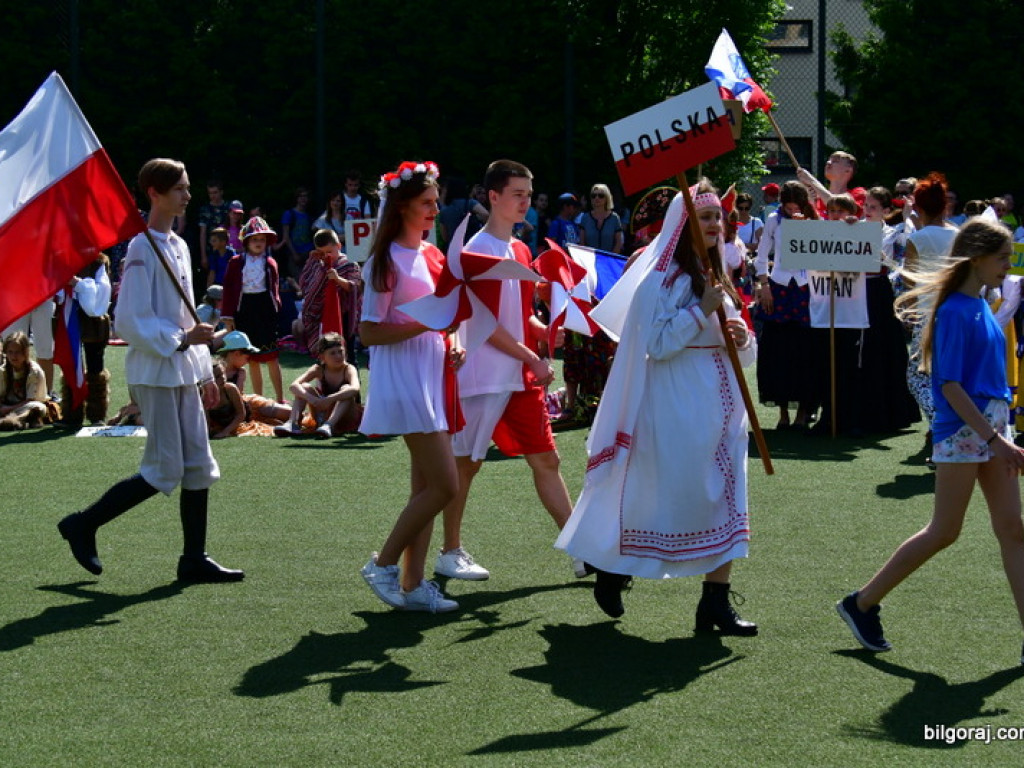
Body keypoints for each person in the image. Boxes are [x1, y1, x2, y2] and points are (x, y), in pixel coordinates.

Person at [556, 182, 758, 633]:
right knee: (665, 495)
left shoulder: (719, 273)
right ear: (684, 224)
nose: (714, 224)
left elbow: (739, 346)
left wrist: (743, 338)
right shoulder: (663, 280)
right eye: (704, 217)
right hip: (677, 403)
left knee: (727, 498)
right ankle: (612, 568)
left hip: (723, 407)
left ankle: (715, 602)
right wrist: (700, 311)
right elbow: (658, 344)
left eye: (717, 217)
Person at [837, 220, 1024, 664]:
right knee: (944, 531)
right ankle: (861, 603)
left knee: (1013, 530)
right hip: (965, 430)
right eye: (1002, 257)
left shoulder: (979, 303)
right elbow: (951, 387)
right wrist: (996, 439)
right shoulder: (956, 311)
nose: (1008, 265)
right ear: (977, 258)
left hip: (989, 426)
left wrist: (1000, 434)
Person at [57, 158, 243, 582]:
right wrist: (182, 340)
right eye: (180, 188)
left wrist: (205, 371)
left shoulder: (179, 245)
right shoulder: (141, 248)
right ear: (154, 193)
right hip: (155, 372)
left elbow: (185, 316)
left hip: (182, 370)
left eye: (188, 187)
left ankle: (193, 559)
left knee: (198, 464)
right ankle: (83, 524)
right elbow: (128, 320)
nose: (188, 195)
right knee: (165, 468)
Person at [439, 159, 575, 581]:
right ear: (493, 196)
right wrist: (531, 356)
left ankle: (580, 548)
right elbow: (484, 324)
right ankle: (449, 551)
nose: (525, 202)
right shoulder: (475, 251)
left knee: (547, 459)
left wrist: (547, 331)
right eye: (517, 194)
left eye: (528, 195)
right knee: (465, 465)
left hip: (518, 375)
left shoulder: (520, 249)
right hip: (482, 377)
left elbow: (520, 315)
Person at [358, 160, 463, 613]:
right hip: (404, 379)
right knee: (445, 486)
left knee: (425, 489)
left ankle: (413, 584)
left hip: (430, 375)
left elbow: (445, 318)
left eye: (436, 201)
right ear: (401, 206)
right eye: (426, 202)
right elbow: (368, 331)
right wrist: (424, 325)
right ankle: (382, 564)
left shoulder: (432, 254)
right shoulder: (383, 262)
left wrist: (452, 342)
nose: (435, 210)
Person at [754, 180, 820, 430]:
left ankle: (803, 411)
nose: (792, 211)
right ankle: (782, 412)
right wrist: (764, 285)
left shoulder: (814, 221)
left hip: (805, 287)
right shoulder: (774, 220)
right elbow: (762, 255)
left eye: (796, 207)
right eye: (788, 207)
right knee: (777, 350)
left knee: (804, 351)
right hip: (779, 286)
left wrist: (806, 227)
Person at [903, 172, 960, 458]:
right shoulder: (959, 235)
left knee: (917, 377)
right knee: (951, 375)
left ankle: (941, 423)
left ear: (919, 208)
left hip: (927, 313)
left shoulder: (917, 239)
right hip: (958, 312)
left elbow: (909, 279)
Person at [220, 216, 285, 402]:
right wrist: (228, 316)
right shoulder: (235, 262)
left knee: (272, 356)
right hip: (245, 310)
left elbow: (274, 289)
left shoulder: (270, 263)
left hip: (265, 309)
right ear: (247, 242)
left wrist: (276, 310)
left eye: (262, 239)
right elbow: (229, 289)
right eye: (254, 239)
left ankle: (280, 398)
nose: (258, 243)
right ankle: (259, 399)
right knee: (253, 358)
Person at [55, 254, 114, 428]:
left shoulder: (98, 262)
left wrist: (78, 284)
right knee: (71, 365)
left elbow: (101, 294)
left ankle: (97, 414)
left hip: (93, 322)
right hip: (67, 318)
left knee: (95, 367)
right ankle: (71, 413)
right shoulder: (62, 259)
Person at [274, 332, 361, 439]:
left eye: (340, 351)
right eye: (332, 353)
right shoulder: (318, 369)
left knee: (346, 389)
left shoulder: (348, 369)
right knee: (304, 387)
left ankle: (329, 425)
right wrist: (313, 399)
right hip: (322, 412)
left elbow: (355, 388)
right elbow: (293, 386)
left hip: (345, 417)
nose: (338, 356)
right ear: (322, 357)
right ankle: (293, 423)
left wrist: (329, 399)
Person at [293, 229, 362, 359]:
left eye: (329, 252)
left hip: (344, 315)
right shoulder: (318, 264)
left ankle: (350, 372)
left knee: (348, 352)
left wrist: (337, 279)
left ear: (339, 246)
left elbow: (355, 287)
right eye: (322, 253)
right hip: (323, 315)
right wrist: (312, 262)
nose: (326, 256)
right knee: (325, 352)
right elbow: (305, 282)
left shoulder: (350, 264)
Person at [0, 331, 49, 430]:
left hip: (25, 406)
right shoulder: (2, 370)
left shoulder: (34, 371)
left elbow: (31, 400)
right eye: (10, 352)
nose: (13, 356)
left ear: (25, 352)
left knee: (38, 407)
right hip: (6, 406)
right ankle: (17, 421)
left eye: (17, 352)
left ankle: (12, 421)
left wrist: (8, 409)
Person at [797, 150, 867, 218]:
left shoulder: (858, 193)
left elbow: (838, 206)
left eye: (835, 161)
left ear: (848, 170)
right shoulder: (818, 197)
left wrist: (812, 181)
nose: (828, 162)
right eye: (829, 160)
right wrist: (812, 203)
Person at [278, 186, 314, 277]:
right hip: (294, 252)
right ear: (296, 198)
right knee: (298, 278)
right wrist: (294, 253)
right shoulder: (289, 214)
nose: (303, 199)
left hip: (308, 252)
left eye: (305, 196)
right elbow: (286, 236)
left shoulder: (309, 215)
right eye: (301, 196)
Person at [579, 183, 624, 254]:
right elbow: (582, 243)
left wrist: (610, 257)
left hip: (609, 258)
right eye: (593, 196)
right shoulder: (585, 218)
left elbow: (618, 243)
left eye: (601, 196)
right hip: (589, 258)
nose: (597, 198)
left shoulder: (614, 218)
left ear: (607, 198)